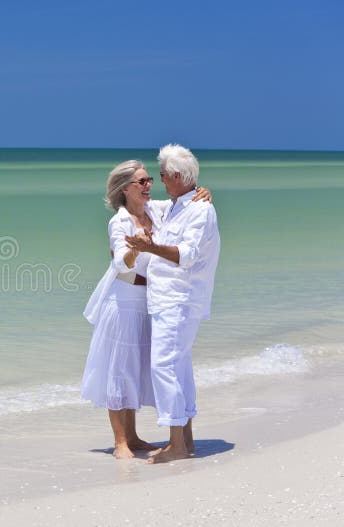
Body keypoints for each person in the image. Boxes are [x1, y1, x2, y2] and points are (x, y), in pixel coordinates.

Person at [81, 160, 211, 459]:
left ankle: (136, 436)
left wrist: (202, 191)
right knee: (119, 368)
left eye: (150, 179)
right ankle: (120, 442)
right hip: (124, 299)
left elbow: (183, 201)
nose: (148, 185)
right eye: (141, 182)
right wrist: (136, 250)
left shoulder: (158, 210)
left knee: (139, 367)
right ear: (124, 189)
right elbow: (119, 262)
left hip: (153, 298)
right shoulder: (119, 222)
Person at [125, 144, 220, 464]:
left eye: (163, 175)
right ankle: (186, 441)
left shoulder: (200, 210)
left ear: (178, 176)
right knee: (178, 366)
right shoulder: (178, 204)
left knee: (163, 366)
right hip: (167, 298)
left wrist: (150, 248)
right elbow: (146, 204)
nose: (159, 181)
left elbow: (186, 255)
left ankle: (176, 444)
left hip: (180, 299)